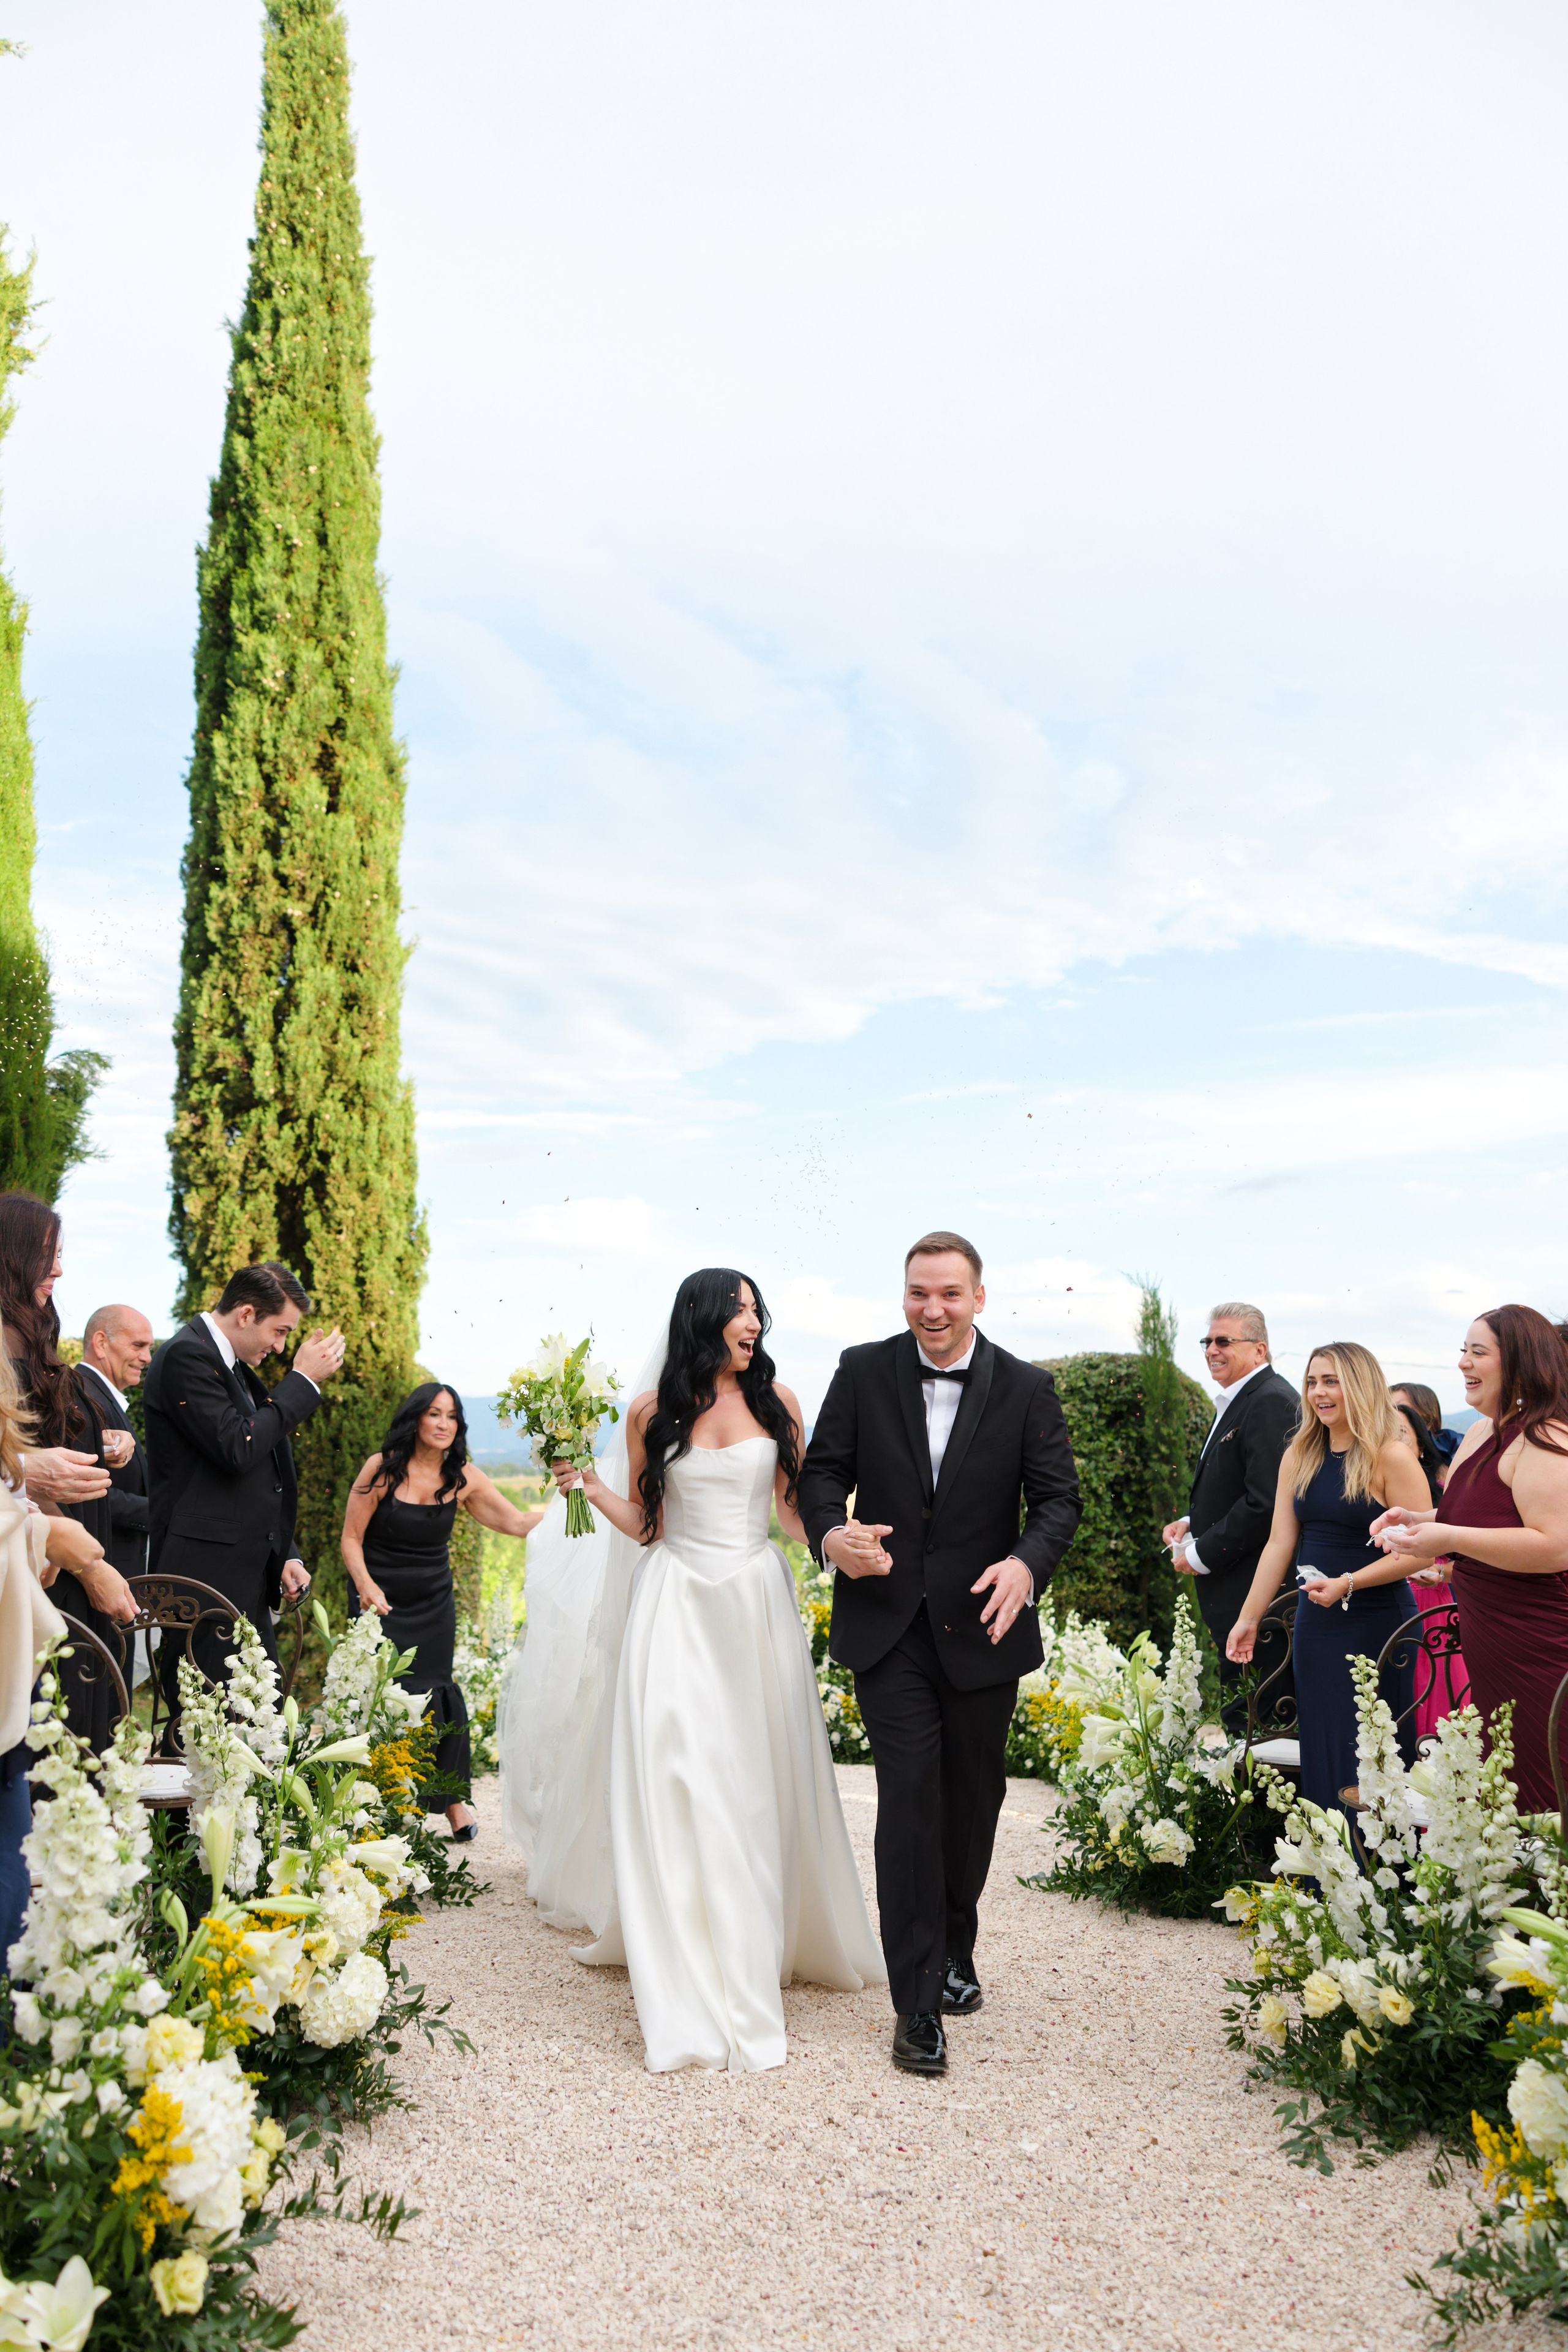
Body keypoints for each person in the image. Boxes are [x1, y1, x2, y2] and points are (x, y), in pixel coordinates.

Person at [543, 1268, 886, 2074]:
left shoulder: (780, 1404)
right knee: (679, 1770)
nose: (753, 1321)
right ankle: (687, 1950)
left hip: (754, 1605)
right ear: (702, 1318)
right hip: (675, 1605)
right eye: (738, 1309)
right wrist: (588, 1486)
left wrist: (841, 1539)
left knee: (756, 1775)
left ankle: (759, 1931)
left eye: (757, 1308)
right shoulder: (650, 1412)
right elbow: (649, 1526)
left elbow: (795, 1515)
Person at [797, 1232, 1082, 2078]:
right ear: (904, 1295)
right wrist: (831, 1538)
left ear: (978, 1298)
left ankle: (957, 1940)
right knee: (911, 1799)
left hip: (983, 1627)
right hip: (887, 1628)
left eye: (950, 1293)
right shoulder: (861, 1370)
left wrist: (1025, 1564)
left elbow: (1059, 1501)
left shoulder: (1027, 1388)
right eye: (919, 1292)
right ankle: (917, 2004)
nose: (933, 1308)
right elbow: (821, 1478)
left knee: (972, 1800)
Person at [1373, 1306, 1568, 1812]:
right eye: (1463, 1350)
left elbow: (1555, 1545)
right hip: (1489, 1643)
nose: (1463, 1362)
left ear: (1520, 1361)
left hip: (1540, 1648)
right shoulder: (1483, 1432)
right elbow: (1473, 1515)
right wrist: (1415, 1519)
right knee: (1504, 1789)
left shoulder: (1546, 1437)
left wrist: (1447, 1535)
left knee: (1545, 1796)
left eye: (1478, 1352)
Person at [1227, 1342, 1430, 1817]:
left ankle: (1380, 1861)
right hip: (1317, 1628)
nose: (1318, 1392)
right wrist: (1249, 1618)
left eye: (1331, 1381)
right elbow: (1279, 1544)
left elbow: (1421, 1549)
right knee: (1323, 1746)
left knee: (1375, 1756)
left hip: (1379, 1626)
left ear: (1359, 1387)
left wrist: (1349, 1582)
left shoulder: (1391, 1457)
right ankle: (1330, 1860)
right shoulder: (1299, 1455)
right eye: (1312, 1382)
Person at [342, 1382, 544, 1842]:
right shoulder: (381, 1468)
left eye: (452, 1416)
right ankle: (369, 1803)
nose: (443, 1424)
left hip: (433, 1605)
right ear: (416, 1418)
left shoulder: (463, 1477)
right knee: (378, 1698)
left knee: (437, 1696)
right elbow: (351, 1538)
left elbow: (515, 1523)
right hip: (378, 1603)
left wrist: (577, 1505)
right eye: (434, 1414)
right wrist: (366, 1586)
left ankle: (452, 1801)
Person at [142, 1262, 344, 1694]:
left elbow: (250, 1476)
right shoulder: (186, 1355)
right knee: (212, 1722)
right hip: (204, 1582)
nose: (280, 1346)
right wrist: (303, 1380)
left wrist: (284, 1554)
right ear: (247, 1314)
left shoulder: (229, 1364)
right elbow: (238, 1446)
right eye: (280, 1331)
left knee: (259, 1717)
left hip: (240, 1576)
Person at [0, 1194, 137, 1748]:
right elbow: (23, 1464)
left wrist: (102, 1440)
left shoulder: (34, 1347)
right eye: (46, 1254)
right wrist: (92, 1568)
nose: (58, 1270)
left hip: (72, 1563)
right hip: (46, 1575)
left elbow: (43, 1442)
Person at [1161, 1302, 1301, 1717]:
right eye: (1207, 1341)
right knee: (1244, 1719)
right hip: (1239, 1598)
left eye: (1224, 1341)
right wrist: (1191, 1523)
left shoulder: (1271, 1401)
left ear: (1259, 1350)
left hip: (1259, 1600)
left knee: (1260, 1724)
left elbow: (1267, 1503)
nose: (1211, 1350)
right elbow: (1237, 1485)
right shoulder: (1241, 1398)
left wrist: (1199, 1555)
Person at [78, 1304, 155, 1580]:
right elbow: (82, 1488)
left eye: (149, 1348)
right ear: (101, 1343)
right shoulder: (84, 1397)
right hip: (101, 1570)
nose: (147, 1357)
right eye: (138, 1345)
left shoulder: (96, 1395)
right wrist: (161, 1512)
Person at [1392, 1381, 1461, 1471]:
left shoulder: (1455, 1462)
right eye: (1385, 1408)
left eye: (1401, 1408)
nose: (1391, 1415)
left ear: (1428, 1422)